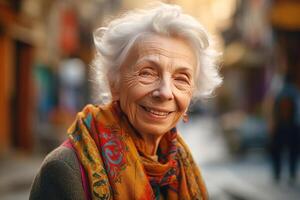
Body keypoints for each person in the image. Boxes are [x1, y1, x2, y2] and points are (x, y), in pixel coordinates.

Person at [30, 3, 222, 200]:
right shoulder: (64, 171)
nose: (165, 92)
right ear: (114, 83)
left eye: (181, 79)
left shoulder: (182, 168)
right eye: (147, 72)